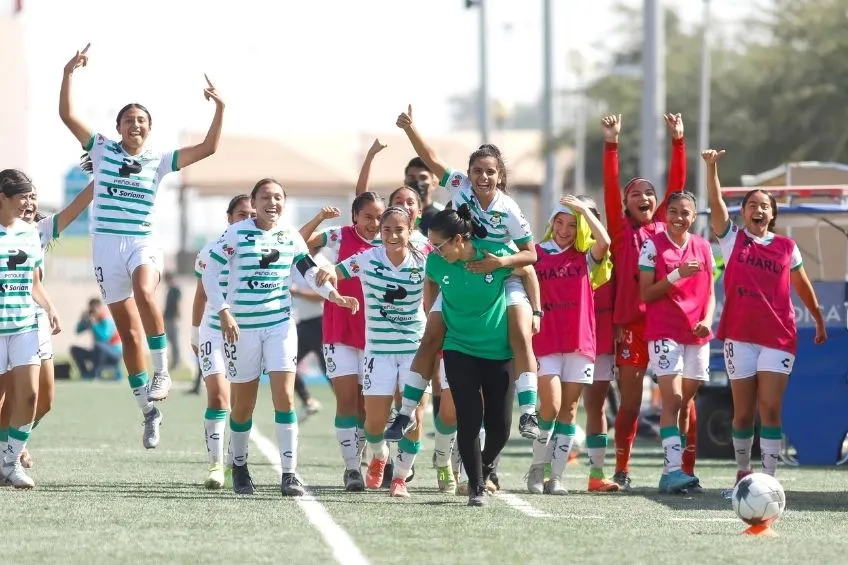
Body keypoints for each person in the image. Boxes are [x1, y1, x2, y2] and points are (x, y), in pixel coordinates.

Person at [59, 44, 224, 448]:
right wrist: (68, 73)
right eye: (129, 120)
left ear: (150, 128)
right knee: (130, 337)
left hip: (141, 241)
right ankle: (148, 412)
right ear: (118, 127)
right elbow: (67, 115)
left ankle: (162, 371)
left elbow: (209, 148)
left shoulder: (160, 159)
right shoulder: (100, 149)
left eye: (142, 120)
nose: (136, 124)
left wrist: (220, 108)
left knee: (145, 290)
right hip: (105, 247)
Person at [389, 104, 542, 446]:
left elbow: (531, 255)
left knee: (520, 334)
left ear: (500, 176)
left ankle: (530, 412)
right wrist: (410, 128)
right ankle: (405, 412)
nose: (483, 177)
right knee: (431, 336)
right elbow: (431, 158)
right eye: (477, 171)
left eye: (490, 172)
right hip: (460, 269)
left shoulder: (509, 210)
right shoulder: (459, 185)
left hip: (500, 273)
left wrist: (501, 264)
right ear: (468, 173)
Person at [201, 178, 358, 496]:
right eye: (265, 197)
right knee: (243, 404)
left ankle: (289, 474)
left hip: (280, 327)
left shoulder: (290, 236)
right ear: (254, 203)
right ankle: (240, 466)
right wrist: (224, 311)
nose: (272, 203)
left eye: (277, 197)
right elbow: (210, 273)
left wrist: (335, 296)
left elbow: (309, 272)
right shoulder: (237, 233)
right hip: (242, 330)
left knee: (284, 397)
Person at [702, 149, 826, 486]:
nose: (758, 210)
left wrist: (817, 318)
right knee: (743, 413)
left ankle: (769, 480)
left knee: (769, 408)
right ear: (743, 212)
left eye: (765, 206)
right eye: (752, 205)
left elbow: (802, 285)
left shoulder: (787, 247)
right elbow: (715, 203)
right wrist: (712, 168)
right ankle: (743, 473)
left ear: (772, 214)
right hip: (739, 336)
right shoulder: (732, 239)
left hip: (778, 337)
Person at [601, 112, 690, 491]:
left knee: (680, 400)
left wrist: (678, 141)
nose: (643, 197)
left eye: (649, 193)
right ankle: (622, 468)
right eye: (635, 193)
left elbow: (677, 186)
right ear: (625, 203)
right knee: (631, 403)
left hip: (667, 325)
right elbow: (610, 185)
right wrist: (611, 143)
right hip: (632, 328)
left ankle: (683, 468)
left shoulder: (665, 228)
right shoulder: (621, 232)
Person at [423, 205, 534, 507]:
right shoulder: (436, 261)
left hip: (498, 350)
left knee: (500, 428)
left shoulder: (492, 255)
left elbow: (528, 268)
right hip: (458, 348)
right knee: (469, 419)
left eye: (439, 245)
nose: (434, 251)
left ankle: (483, 467)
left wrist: (535, 312)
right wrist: (432, 312)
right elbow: (430, 280)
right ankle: (476, 488)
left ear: (458, 239)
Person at [315, 206, 430, 497]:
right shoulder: (367, 258)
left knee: (414, 418)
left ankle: (400, 478)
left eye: (399, 230)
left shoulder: (425, 258)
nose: (392, 235)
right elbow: (337, 271)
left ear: (410, 230)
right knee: (373, 424)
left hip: (414, 350)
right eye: (386, 230)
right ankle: (379, 455)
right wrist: (328, 270)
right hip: (378, 352)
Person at [526, 195, 616, 495]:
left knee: (570, 409)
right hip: (546, 340)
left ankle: (556, 477)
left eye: (572, 224)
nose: (564, 230)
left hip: (579, 342)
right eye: (560, 222)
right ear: (551, 223)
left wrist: (583, 211)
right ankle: (537, 468)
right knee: (550, 406)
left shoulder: (585, 255)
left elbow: (605, 242)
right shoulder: (536, 253)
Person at [300, 194, 384, 491]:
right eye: (368, 217)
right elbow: (299, 242)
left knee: (366, 407)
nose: (374, 223)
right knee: (347, 401)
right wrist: (320, 219)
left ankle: (372, 457)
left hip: (376, 335)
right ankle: (351, 469)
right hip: (339, 329)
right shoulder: (340, 235)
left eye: (379, 217)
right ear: (355, 217)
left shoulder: (392, 242)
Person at [638, 191, 715, 493]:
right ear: (665, 214)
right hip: (664, 331)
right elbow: (646, 293)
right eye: (673, 211)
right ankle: (672, 471)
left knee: (685, 403)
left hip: (696, 334)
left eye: (685, 212)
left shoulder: (703, 246)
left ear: (694, 217)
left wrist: (708, 320)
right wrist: (676, 275)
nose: (678, 218)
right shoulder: (651, 246)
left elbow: (710, 293)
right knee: (673, 400)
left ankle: (676, 471)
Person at [0, 170, 61, 488]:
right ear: (3, 198)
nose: (28, 202)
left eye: (30, 196)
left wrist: (50, 308)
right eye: (22, 196)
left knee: (31, 395)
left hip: (25, 326)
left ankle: (10, 464)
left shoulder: (30, 234)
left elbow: (34, 283)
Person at [191, 194, 254, 489]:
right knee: (218, 397)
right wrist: (194, 333)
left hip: (246, 333)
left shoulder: (260, 249)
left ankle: (233, 462)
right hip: (213, 331)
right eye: (241, 214)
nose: (247, 219)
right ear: (229, 218)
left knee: (241, 404)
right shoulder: (210, 250)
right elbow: (200, 295)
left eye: (251, 214)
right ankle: (215, 466)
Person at [70, 298, 122, 380]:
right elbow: (78, 331)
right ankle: (85, 374)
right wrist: (83, 320)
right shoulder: (92, 319)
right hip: (98, 352)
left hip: (114, 353)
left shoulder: (106, 319)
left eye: (94, 310)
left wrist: (94, 324)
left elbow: (104, 338)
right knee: (74, 349)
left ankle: (94, 373)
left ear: (100, 308)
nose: (93, 312)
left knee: (98, 345)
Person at [163, 272, 182, 370]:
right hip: (167, 317)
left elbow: (177, 304)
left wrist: (175, 318)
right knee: (170, 340)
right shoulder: (170, 289)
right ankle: (174, 361)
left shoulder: (175, 290)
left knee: (174, 341)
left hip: (172, 318)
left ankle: (176, 361)